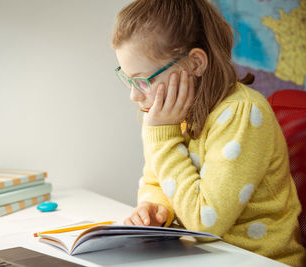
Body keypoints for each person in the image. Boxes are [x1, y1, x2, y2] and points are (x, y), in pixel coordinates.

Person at [111, 0, 306, 266]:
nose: (135, 95)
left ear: (194, 64)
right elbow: (156, 182)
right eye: (128, 80)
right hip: (201, 257)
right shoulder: (172, 116)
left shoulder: (242, 113)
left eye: (145, 81)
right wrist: (155, 208)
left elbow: (205, 223)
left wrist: (163, 138)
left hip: (259, 260)